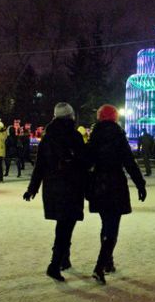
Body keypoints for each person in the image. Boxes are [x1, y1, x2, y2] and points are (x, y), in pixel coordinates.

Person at [23, 103, 86, 282]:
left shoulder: (48, 138)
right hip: (71, 187)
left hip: (52, 187)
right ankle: (55, 264)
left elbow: (40, 166)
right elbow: (83, 163)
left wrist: (32, 188)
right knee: (65, 227)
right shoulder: (74, 137)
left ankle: (63, 259)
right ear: (70, 117)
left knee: (63, 224)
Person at [86, 104, 146, 285]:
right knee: (112, 226)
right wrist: (140, 184)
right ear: (115, 117)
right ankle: (100, 265)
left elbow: (86, 161)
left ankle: (108, 262)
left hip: (99, 184)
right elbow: (129, 162)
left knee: (106, 223)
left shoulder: (94, 136)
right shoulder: (119, 136)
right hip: (115, 184)